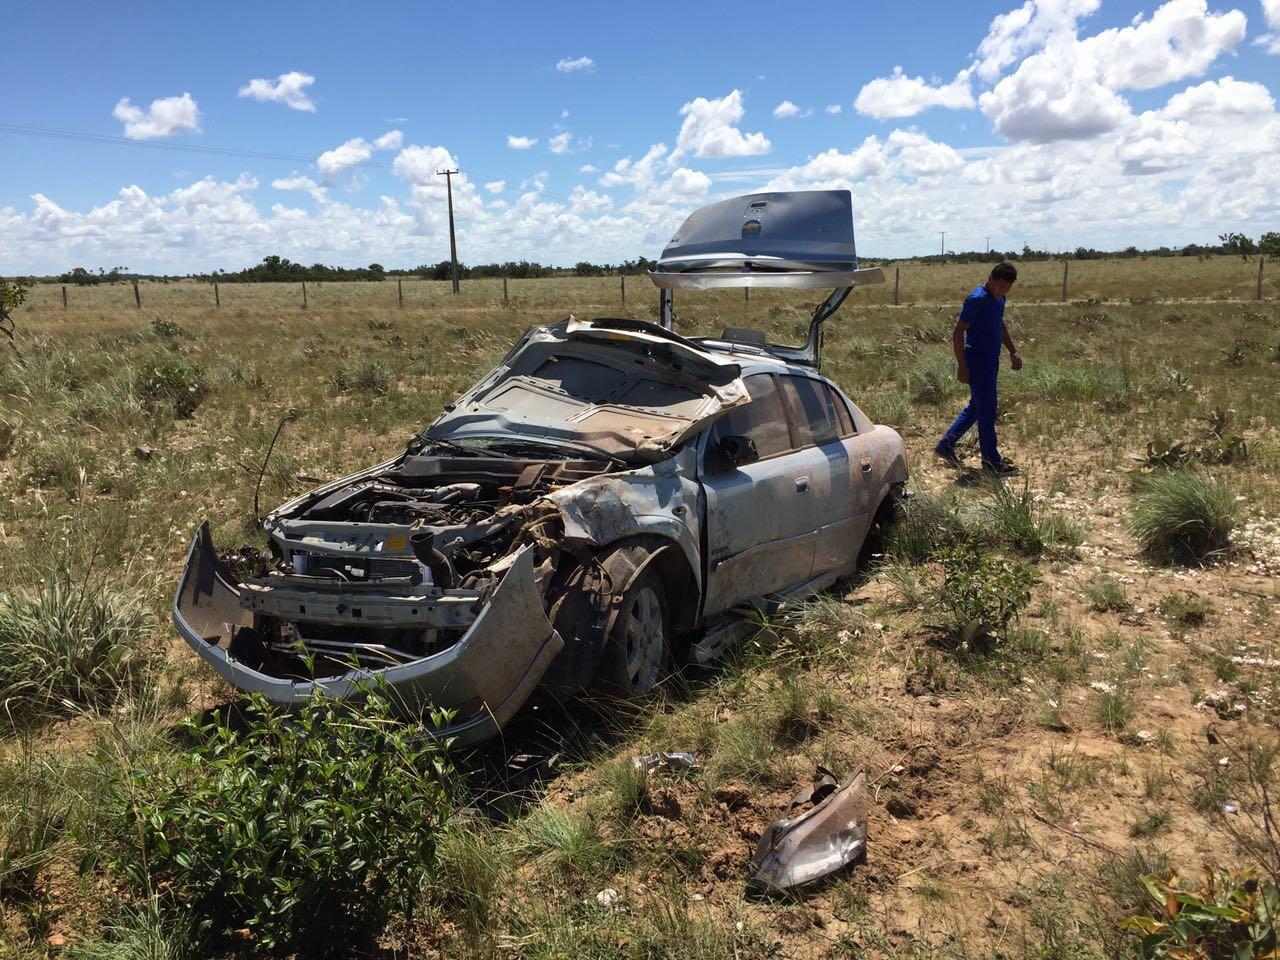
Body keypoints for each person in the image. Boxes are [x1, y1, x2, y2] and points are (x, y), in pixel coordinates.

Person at [935, 261, 1022, 475]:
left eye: (1007, 288)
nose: (1003, 290)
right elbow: (958, 333)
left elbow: (999, 325)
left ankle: (946, 445)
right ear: (990, 279)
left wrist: (1012, 350)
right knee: (987, 411)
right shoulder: (977, 300)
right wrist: (962, 365)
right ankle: (991, 462)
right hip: (977, 360)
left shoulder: (999, 298)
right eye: (1001, 286)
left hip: (991, 360)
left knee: (977, 407)